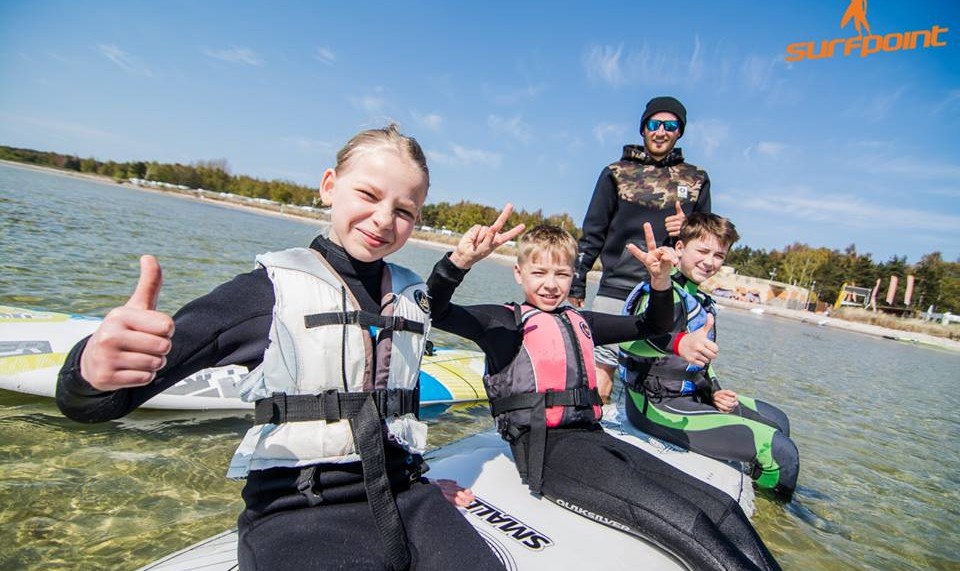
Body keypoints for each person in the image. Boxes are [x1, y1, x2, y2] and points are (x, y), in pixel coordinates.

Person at [55, 125, 504, 571]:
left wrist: (417, 484)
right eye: (368, 195)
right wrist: (91, 369)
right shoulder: (267, 293)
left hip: (406, 496)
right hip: (298, 511)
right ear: (329, 187)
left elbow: (435, 303)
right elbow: (95, 405)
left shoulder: (409, 295)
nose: (384, 220)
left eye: (404, 210)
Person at [427, 212, 781, 571]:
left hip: (595, 438)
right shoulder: (501, 322)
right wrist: (459, 263)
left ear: (574, 277)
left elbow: (652, 326)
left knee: (723, 508)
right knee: (689, 523)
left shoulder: (581, 321)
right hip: (548, 453)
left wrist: (660, 284)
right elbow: (436, 312)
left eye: (562, 274)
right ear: (519, 273)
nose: (551, 284)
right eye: (540, 273)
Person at [618, 212, 800, 498]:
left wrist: (713, 391)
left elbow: (701, 364)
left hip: (690, 398)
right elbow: (628, 343)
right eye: (702, 251)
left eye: (719, 255)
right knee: (779, 451)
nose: (710, 261)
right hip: (655, 406)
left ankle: (764, 489)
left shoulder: (700, 299)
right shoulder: (661, 292)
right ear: (679, 249)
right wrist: (677, 344)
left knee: (778, 420)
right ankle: (775, 518)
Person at [570, 95, 711, 402]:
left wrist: (687, 228)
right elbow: (593, 231)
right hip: (617, 287)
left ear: (679, 132)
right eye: (654, 124)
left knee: (653, 371)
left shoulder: (696, 179)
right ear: (643, 128)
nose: (661, 131)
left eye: (670, 125)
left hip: (665, 292)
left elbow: (705, 241)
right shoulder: (616, 172)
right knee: (602, 372)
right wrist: (577, 280)